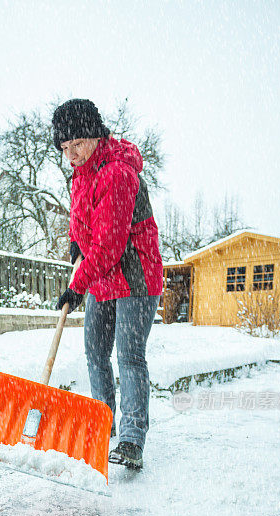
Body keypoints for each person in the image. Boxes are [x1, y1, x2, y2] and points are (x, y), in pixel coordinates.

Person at [53, 98, 163, 471]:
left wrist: (76, 286)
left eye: (77, 145)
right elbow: (81, 220)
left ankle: (131, 440)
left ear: (96, 135)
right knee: (95, 352)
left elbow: (109, 246)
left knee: (129, 357)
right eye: (65, 148)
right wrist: (73, 242)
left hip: (135, 276)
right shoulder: (80, 173)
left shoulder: (117, 173)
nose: (71, 155)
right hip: (104, 277)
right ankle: (103, 426)